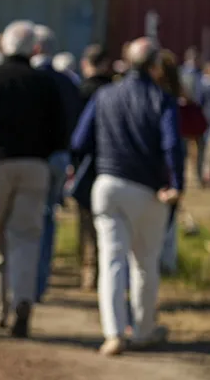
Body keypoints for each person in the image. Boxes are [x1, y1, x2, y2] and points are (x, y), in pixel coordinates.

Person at [70, 37, 183, 356]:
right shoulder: (162, 99)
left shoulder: (105, 95)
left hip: (107, 185)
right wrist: (176, 184)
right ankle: (144, 329)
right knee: (145, 263)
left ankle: (114, 332)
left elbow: (79, 141)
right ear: (155, 66)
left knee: (112, 260)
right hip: (148, 190)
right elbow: (172, 145)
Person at [0, 20, 66, 338]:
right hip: (35, 165)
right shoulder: (44, 83)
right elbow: (60, 130)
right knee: (25, 237)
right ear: (34, 48)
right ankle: (23, 299)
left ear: (4, 46)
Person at [29, 25, 82, 302]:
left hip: (32, 158)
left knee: (25, 218)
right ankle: (40, 281)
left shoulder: (28, 78)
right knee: (48, 216)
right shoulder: (67, 81)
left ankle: (23, 282)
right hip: (59, 157)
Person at [156, 51, 205, 275]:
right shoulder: (175, 99)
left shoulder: (164, 98)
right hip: (169, 164)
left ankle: (163, 262)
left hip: (152, 165)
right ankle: (167, 262)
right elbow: (197, 125)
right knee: (168, 219)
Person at [74, 43, 112, 291]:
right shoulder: (112, 91)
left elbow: (77, 138)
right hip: (111, 163)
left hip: (85, 165)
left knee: (86, 220)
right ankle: (102, 269)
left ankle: (88, 270)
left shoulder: (80, 92)